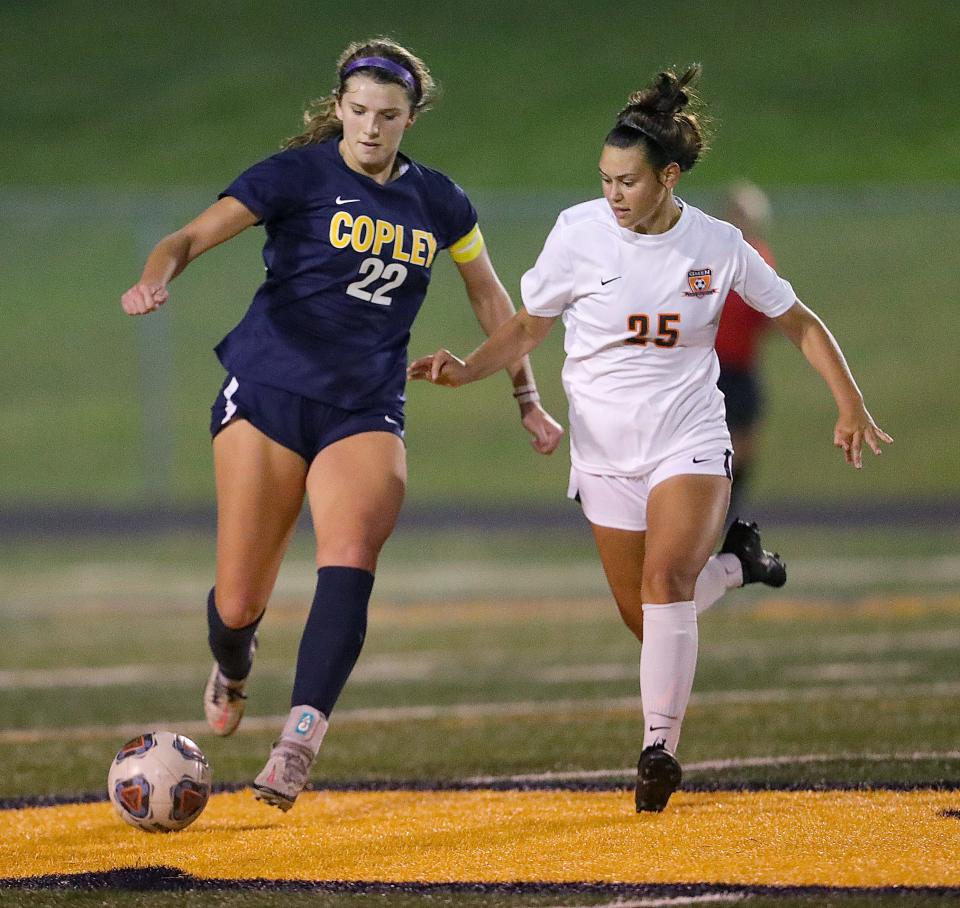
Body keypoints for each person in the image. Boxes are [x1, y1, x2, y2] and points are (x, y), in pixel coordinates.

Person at [408, 65, 892, 813]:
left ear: (668, 177)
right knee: (649, 613)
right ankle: (735, 566)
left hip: (689, 438)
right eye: (604, 180)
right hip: (603, 452)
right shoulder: (577, 233)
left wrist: (849, 398)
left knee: (665, 587)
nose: (613, 194)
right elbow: (529, 325)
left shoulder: (718, 244)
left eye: (627, 182)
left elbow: (796, 319)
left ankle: (658, 748)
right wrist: (468, 369)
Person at [120, 37, 564, 812]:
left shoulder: (441, 202)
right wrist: (154, 279)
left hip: (364, 406)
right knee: (238, 602)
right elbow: (186, 238)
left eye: (387, 116)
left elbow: (493, 299)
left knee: (352, 548)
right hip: (267, 391)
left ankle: (299, 740)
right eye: (357, 111)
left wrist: (525, 395)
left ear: (409, 119)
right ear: (338, 109)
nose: (369, 127)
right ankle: (232, 661)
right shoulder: (297, 174)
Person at [714, 181, 778, 524]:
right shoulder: (710, 258)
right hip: (709, 368)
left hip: (741, 367)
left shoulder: (759, 261)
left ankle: (730, 511)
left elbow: (770, 316)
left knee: (744, 445)